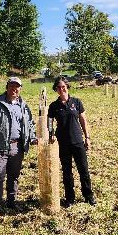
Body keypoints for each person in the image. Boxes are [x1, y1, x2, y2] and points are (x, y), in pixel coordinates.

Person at [0, 77, 37, 217]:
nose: (14, 89)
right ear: (7, 87)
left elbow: (30, 124)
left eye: (17, 87)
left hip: (17, 147)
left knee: (14, 175)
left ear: (20, 89)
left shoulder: (23, 106)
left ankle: (11, 201)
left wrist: (32, 138)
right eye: (12, 86)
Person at [48, 76, 96, 208]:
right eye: (59, 87)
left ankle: (88, 195)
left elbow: (83, 121)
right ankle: (70, 198)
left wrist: (87, 137)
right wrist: (51, 134)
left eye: (63, 86)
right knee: (67, 172)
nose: (61, 89)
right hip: (62, 143)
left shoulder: (77, 102)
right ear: (56, 90)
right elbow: (50, 123)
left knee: (83, 170)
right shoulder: (53, 106)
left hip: (77, 141)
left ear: (67, 87)